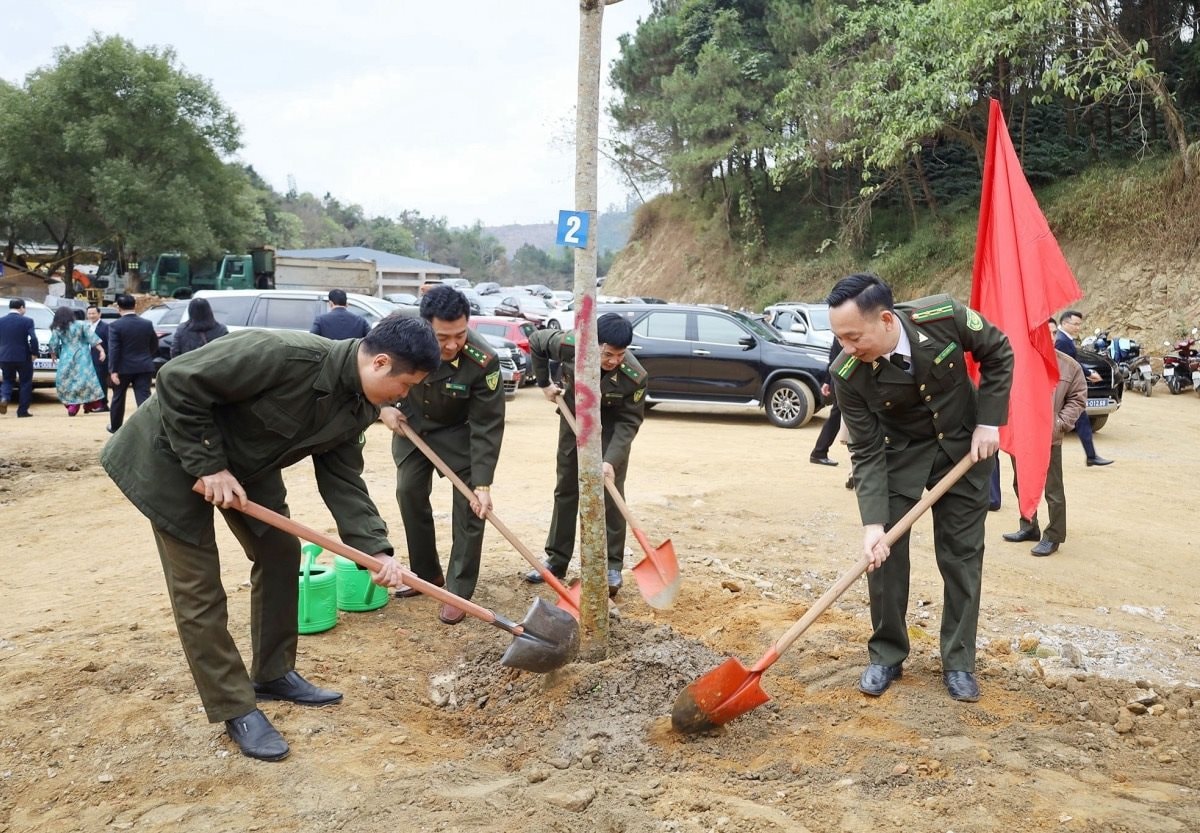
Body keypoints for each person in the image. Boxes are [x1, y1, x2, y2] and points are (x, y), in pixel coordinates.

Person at [100, 315, 441, 762]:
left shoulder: (357, 406)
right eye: (407, 385)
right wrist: (208, 464)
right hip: (169, 454)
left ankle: (273, 673)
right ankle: (235, 706)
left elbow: (343, 481)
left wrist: (374, 551)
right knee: (199, 587)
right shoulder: (283, 353)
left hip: (247, 468)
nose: (405, 397)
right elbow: (177, 378)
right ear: (380, 363)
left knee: (281, 553)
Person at [827, 273, 1013, 703]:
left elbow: (999, 351)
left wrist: (989, 420)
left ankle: (959, 662)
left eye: (854, 337)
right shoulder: (847, 372)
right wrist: (872, 524)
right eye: (840, 338)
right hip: (899, 461)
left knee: (962, 557)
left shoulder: (941, 316)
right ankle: (887, 654)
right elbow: (867, 450)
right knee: (884, 560)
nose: (848, 348)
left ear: (887, 320)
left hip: (964, 451)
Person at [379, 286, 505, 624]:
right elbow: (369, 368)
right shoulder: (398, 334)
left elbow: (487, 424)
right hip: (411, 426)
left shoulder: (483, 360)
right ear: (424, 325)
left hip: (457, 434)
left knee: (470, 507)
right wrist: (383, 407)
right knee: (409, 492)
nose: (452, 345)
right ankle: (426, 574)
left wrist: (482, 484)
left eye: (459, 335)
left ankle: (458, 591)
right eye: (442, 337)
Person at [523, 313, 647, 598]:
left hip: (611, 429)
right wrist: (544, 383)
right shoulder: (571, 345)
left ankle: (611, 566)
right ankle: (556, 561)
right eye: (607, 354)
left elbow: (630, 422)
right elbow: (536, 342)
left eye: (620, 354)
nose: (614, 361)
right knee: (566, 488)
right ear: (594, 344)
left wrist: (609, 460)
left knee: (610, 495)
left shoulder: (635, 376)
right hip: (574, 418)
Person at [1002, 348, 1087, 557]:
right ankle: (1029, 525)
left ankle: (1054, 536)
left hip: (1048, 438)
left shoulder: (1069, 365)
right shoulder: (1019, 358)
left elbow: (1078, 398)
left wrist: (1058, 424)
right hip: (1021, 433)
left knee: (1053, 490)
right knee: (1021, 483)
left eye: (1051, 332)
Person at [1055, 310, 1113, 467]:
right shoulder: (1061, 341)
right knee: (1080, 419)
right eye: (1075, 324)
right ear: (1065, 323)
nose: (1078, 327)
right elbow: (1068, 364)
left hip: (1067, 387)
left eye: (1080, 324)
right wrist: (1088, 373)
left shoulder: (1066, 339)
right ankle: (1091, 456)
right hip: (1065, 388)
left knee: (1083, 421)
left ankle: (1091, 456)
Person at [106, 293, 159, 433]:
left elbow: (114, 349)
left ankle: (115, 427)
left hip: (123, 368)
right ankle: (149, 426)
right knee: (143, 397)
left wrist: (113, 370)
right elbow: (154, 343)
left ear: (119, 308)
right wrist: (147, 356)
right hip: (144, 365)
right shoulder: (146, 323)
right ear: (134, 306)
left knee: (118, 397)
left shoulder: (115, 326)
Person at [48, 306, 106, 416]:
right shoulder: (81, 324)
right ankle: (87, 402)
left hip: (66, 356)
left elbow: (53, 343)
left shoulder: (58, 327)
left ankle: (72, 403)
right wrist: (101, 350)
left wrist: (53, 354)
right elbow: (92, 338)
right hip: (82, 355)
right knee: (85, 379)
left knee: (66, 379)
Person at [0, 298, 38, 418]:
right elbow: (33, 338)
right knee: (25, 383)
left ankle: (4, 397)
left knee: (7, 380)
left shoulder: (1, 321)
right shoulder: (27, 321)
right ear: (21, 307)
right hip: (23, 356)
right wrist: (34, 352)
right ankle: (22, 411)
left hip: (4, 356)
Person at [809, 337, 843, 466]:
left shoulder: (839, 332)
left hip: (838, 378)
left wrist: (827, 381)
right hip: (844, 380)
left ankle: (819, 452)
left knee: (836, 416)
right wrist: (828, 381)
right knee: (836, 417)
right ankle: (819, 452)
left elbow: (833, 359)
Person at [85, 305, 111, 412]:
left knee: (100, 381)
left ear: (99, 314)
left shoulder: (105, 327)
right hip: (87, 358)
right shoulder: (86, 326)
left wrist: (106, 355)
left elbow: (110, 343)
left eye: (93, 313)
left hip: (100, 359)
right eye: (89, 313)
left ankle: (103, 404)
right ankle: (92, 404)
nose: (91, 315)